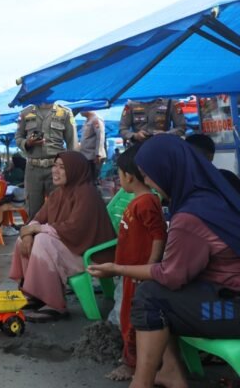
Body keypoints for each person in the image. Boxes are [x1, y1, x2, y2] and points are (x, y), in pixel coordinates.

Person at [88, 135, 240, 388]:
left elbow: (172, 275)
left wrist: (116, 269)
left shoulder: (191, 215)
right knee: (160, 294)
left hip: (232, 308)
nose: (146, 181)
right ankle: (170, 370)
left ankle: (142, 381)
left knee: (150, 297)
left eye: (148, 174)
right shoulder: (216, 194)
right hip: (227, 293)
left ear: (168, 170)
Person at [10, 151, 116, 322]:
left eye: (62, 167)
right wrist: (28, 232)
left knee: (43, 240)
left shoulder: (86, 193)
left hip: (89, 255)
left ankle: (55, 305)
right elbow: (38, 218)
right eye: (55, 166)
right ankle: (35, 293)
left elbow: (75, 229)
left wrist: (35, 230)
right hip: (71, 248)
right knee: (24, 238)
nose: (55, 171)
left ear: (75, 170)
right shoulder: (59, 193)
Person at [92, 146, 166, 382]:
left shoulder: (146, 202)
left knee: (132, 320)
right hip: (127, 272)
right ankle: (131, 359)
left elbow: (158, 235)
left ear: (129, 176)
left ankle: (132, 364)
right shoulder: (139, 200)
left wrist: (151, 265)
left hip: (138, 274)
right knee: (126, 317)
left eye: (119, 174)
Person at [15, 102, 78, 220]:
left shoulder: (65, 112)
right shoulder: (25, 113)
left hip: (56, 168)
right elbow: (18, 137)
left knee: (59, 210)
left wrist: (71, 170)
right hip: (33, 169)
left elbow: (72, 144)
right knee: (33, 212)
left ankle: (56, 237)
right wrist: (27, 143)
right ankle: (34, 237)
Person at [119, 98, 186, 146]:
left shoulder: (171, 102)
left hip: (163, 147)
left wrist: (166, 134)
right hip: (138, 148)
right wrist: (135, 136)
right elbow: (122, 129)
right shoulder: (131, 104)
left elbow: (181, 127)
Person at [78, 110, 106, 179]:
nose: (80, 112)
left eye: (81, 109)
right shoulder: (87, 120)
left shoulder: (96, 119)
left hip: (93, 157)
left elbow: (100, 137)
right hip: (86, 156)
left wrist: (98, 154)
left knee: (92, 180)